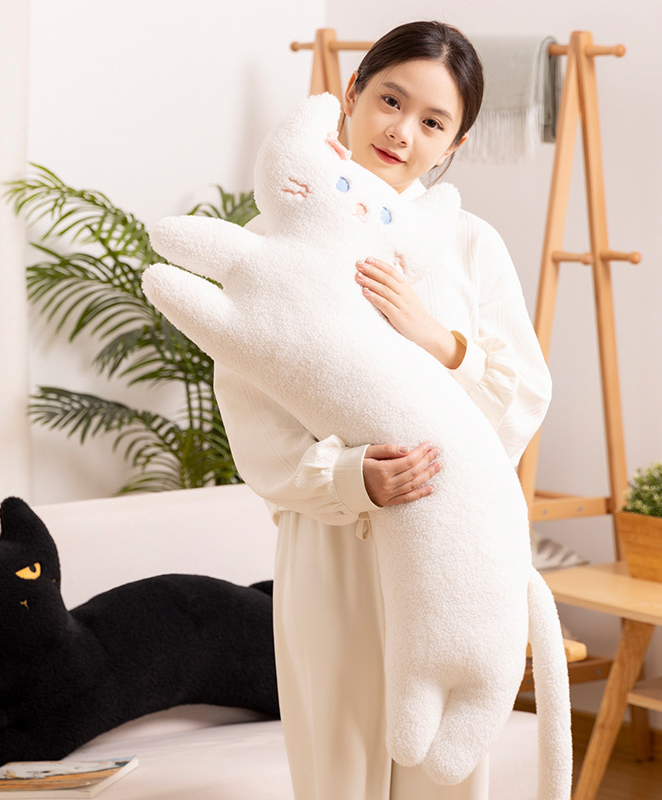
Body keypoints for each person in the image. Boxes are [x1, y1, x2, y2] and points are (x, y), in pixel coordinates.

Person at [213, 20, 552, 800]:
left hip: (452, 550)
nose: (402, 132)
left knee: (445, 773)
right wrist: (349, 477)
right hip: (335, 550)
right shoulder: (273, 237)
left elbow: (523, 396)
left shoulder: (469, 246)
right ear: (353, 94)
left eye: (433, 122)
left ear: (455, 143)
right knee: (340, 773)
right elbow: (254, 423)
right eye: (391, 101)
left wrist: (439, 340)